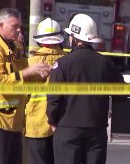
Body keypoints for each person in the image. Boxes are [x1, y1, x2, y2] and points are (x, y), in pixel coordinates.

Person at [46, 13, 125, 164]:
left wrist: (52, 120)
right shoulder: (105, 63)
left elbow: (54, 98)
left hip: (67, 129)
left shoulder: (62, 64)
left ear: (74, 38)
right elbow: (121, 92)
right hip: (96, 130)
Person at [0, 8, 50, 164]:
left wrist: (38, 73)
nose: (18, 30)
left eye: (20, 27)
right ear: (1, 25)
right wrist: (28, 71)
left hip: (14, 121)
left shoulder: (14, 47)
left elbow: (24, 75)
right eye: (14, 26)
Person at [25, 18, 66, 164]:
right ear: (59, 39)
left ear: (39, 40)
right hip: (62, 126)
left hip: (35, 125)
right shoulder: (67, 61)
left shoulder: (30, 63)